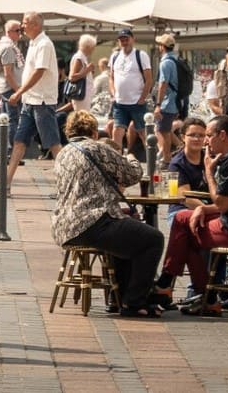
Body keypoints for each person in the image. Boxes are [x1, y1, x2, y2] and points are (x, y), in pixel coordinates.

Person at [50, 108, 167, 317]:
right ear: (94, 132)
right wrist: (130, 156)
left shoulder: (63, 153)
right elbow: (132, 174)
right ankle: (135, 301)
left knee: (127, 239)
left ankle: (119, 298)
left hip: (64, 225)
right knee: (153, 239)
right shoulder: (96, 148)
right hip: (92, 221)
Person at [153, 114, 228, 316]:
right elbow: (180, 196)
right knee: (187, 226)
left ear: (222, 135)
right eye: (196, 135)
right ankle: (205, 297)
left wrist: (208, 172)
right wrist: (203, 209)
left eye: (207, 135)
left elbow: (222, 205)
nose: (204, 140)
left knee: (184, 223)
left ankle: (169, 284)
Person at [6, 11, 62, 183]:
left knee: (53, 144)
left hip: (42, 101)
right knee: (19, 141)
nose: (22, 26)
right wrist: (23, 94)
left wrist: (19, 92)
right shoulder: (33, 43)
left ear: (35, 25)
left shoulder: (44, 44)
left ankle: (67, 181)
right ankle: (6, 182)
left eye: (24, 22)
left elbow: (39, 72)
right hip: (30, 101)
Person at [107, 26, 154, 159]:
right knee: (117, 131)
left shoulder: (140, 55)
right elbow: (111, 76)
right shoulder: (115, 56)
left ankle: (152, 162)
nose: (124, 41)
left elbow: (149, 79)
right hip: (120, 102)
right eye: (121, 39)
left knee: (143, 133)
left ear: (133, 39)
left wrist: (142, 98)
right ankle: (116, 161)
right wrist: (113, 93)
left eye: (126, 38)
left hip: (136, 102)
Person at [165, 116, 208, 222]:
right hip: (181, 210)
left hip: (207, 209)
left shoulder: (210, 158)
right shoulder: (176, 164)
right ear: (183, 137)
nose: (197, 139)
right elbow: (184, 197)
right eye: (192, 135)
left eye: (201, 135)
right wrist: (210, 211)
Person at [153, 33, 186, 163]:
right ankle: (178, 151)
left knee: (163, 131)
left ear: (162, 47)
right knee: (166, 130)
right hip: (178, 101)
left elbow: (163, 84)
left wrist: (158, 105)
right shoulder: (177, 59)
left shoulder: (165, 62)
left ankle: (167, 160)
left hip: (168, 102)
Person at [0, 19, 24, 128]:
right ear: (8, 32)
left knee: (5, 120)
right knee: (12, 121)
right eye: (17, 30)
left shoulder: (6, 46)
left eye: (21, 30)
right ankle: (11, 145)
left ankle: (4, 145)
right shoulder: (9, 48)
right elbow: (7, 73)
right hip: (11, 90)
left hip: (8, 89)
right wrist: (18, 91)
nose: (20, 33)